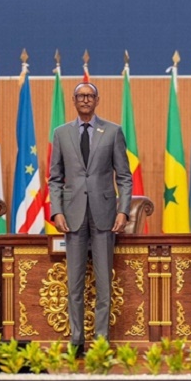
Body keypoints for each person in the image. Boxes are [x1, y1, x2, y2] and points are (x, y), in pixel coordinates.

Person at [48, 82, 132, 353]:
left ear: (97, 99)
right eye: (80, 96)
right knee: (74, 283)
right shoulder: (61, 133)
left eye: (90, 96)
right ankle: (76, 340)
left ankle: (101, 341)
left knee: (103, 283)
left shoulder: (113, 131)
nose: (85, 99)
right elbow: (55, 178)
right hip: (72, 216)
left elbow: (124, 177)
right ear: (73, 101)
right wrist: (57, 211)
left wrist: (123, 210)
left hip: (104, 214)